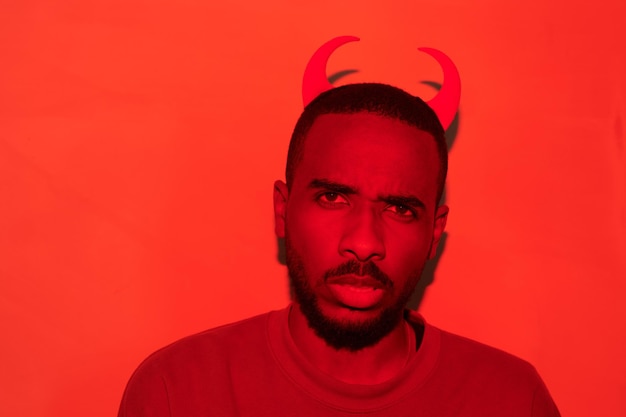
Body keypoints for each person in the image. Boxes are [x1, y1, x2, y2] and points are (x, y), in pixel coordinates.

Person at [118, 83, 560, 416]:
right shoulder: (177, 391)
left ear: (434, 233)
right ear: (282, 210)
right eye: (332, 197)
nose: (364, 244)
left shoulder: (512, 400)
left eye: (400, 208)